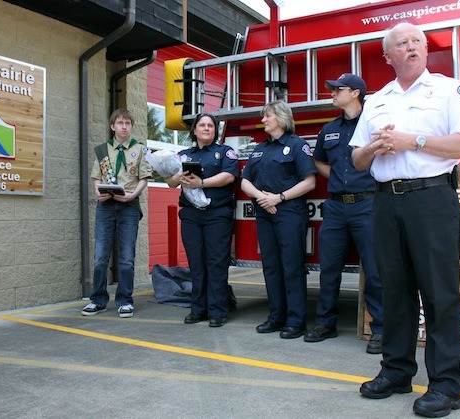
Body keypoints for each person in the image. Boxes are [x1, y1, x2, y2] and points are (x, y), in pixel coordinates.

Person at [350, 23, 460, 418]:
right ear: (387, 56)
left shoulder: (448, 89)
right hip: (386, 203)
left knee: (440, 294)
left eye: (417, 42)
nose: (411, 48)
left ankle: (445, 384)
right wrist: (374, 147)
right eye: (402, 44)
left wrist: (415, 141)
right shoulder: (376, 101)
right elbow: (357, 160)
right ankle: (395, 372)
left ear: (425, 50)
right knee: (394, 291)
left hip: (432, 198)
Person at [305, 73, 384, 354]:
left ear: (355, 93)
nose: (332, 93)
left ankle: (381, 329)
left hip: (368, 204)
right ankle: (326, 323)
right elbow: (318, 160)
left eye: (338, 90)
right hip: (336, 206)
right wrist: (338, 177)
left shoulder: (373, 126)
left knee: (375, 270)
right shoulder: (328, 130)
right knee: (329, 269)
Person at [241, 100, 316, 339]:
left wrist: (279, 198)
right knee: (271, 266)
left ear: (281, 118)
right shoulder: (259, 149)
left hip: (290, 214)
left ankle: (296, 321)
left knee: (292, 267)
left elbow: (309, 182)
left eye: (268, 116)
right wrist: (263, 198)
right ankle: (276, 317)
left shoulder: (297, 145)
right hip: (265, 213)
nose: (263, 120)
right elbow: (245, 181)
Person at [166, 113, 238, 327]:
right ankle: (198, 309)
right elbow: (170, 182)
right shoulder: (182, 155)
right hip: (191, 215)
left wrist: (202, 183)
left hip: (217, 215)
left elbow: (229, 176)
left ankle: (217, 310)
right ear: (194, 130)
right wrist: (177, 177)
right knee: (196, 263)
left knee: (216, 262)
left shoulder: (225, 152)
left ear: (215, 130)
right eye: (202, 125)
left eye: (210, 125)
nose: (206, 128)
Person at [82, 108, 152, 318]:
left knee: (126, 257)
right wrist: (97, 191)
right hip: (106, 206)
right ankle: (98, 300)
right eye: (120, 123)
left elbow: (144, 178)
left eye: (128, 123)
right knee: (100, 256)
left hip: (128, 207)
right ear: (112, 126)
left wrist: (132, 196)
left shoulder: (139, 149)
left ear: (131, 126)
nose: (124, 127)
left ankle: (124, 300)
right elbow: (97, 176)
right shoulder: (103, 150)